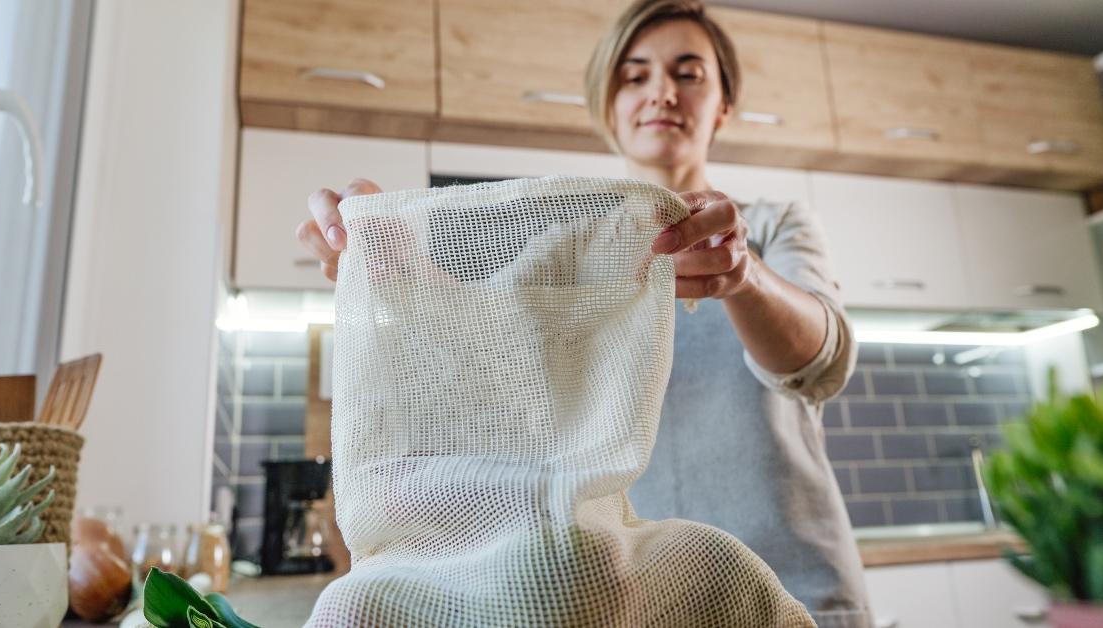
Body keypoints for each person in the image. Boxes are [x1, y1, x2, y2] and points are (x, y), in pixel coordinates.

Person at [295, 1, 869, 625]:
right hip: (644, 600)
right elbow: (500, 387)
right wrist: (397, 265)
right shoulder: (569, 252)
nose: (661, 93)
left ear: (724, 104)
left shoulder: (776, 224)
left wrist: (743, 273)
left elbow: (823, 364)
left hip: (803, 591)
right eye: (635, 74)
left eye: (688, 73)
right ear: (608, 105)